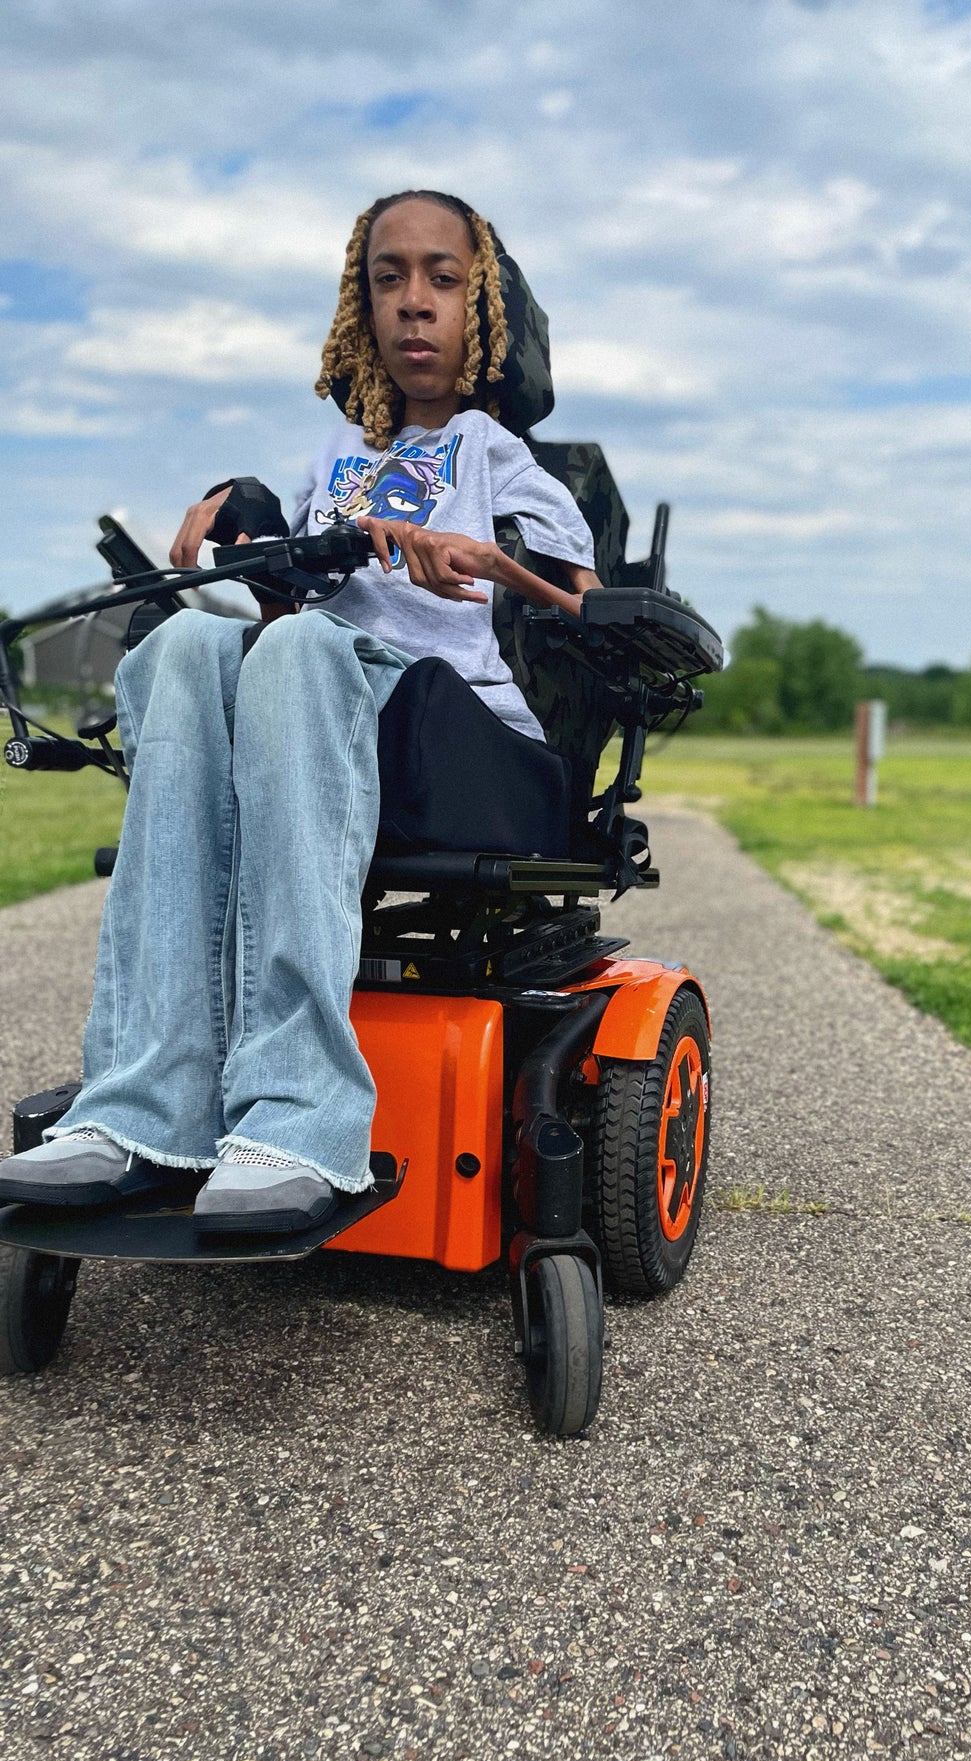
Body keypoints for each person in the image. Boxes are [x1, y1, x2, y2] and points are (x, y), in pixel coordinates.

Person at [0, 190, 600, 1234]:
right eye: (387, 277)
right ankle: (142, 1108)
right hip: (323, 716)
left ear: (484, 308)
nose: (413, 302)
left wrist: (492, 558)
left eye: (442, 279)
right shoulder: (331, 467)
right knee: (191, 641)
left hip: (463, 747)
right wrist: (245, 513)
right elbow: (286, 611)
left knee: (303, 650)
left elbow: (592, 615)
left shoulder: (504, 461)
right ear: (357, 306)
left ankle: (301, 1119)